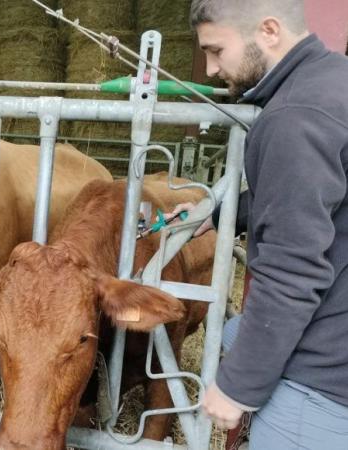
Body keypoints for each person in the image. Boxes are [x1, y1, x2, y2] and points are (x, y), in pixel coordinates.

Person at [168, 1, 348, 448]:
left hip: (321, 386)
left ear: (268, 31)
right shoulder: (334, 83)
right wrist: (214, 215)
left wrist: (238, 386)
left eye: (216, 50)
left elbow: (293, 271)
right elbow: (319, 194)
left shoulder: (295, 116)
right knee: (232, 330)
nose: (209, 69)